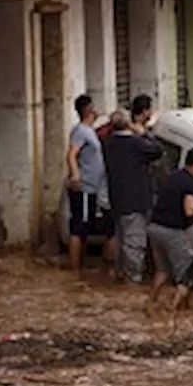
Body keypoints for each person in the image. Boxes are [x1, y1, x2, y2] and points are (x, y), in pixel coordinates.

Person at [148, 148, 193, 303]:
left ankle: (151, 302)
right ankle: (179, 309)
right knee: (187, 272)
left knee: (162, 271)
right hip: (171, 231)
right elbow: (190, 210)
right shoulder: (190, 182)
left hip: (155, 228)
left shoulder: (174, 176)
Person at [103, 106, 163, 283]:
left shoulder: (108, 143)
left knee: (122, 239)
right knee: (134, 242)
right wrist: (143, 133)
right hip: (135, 200)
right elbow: (158, 151)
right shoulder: (136, 144)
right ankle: (132, 278)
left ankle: (121, 274)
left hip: (117, 199)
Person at [67, 94, 112, 273]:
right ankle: (75, 270)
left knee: (85, 227)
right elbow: (71, 154)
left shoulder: (89, 130)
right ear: (89, 110)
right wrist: (76, 175)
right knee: (80, 227)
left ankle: (80, 267)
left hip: (92, 188)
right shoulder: (80, 131)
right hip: (84, 187)